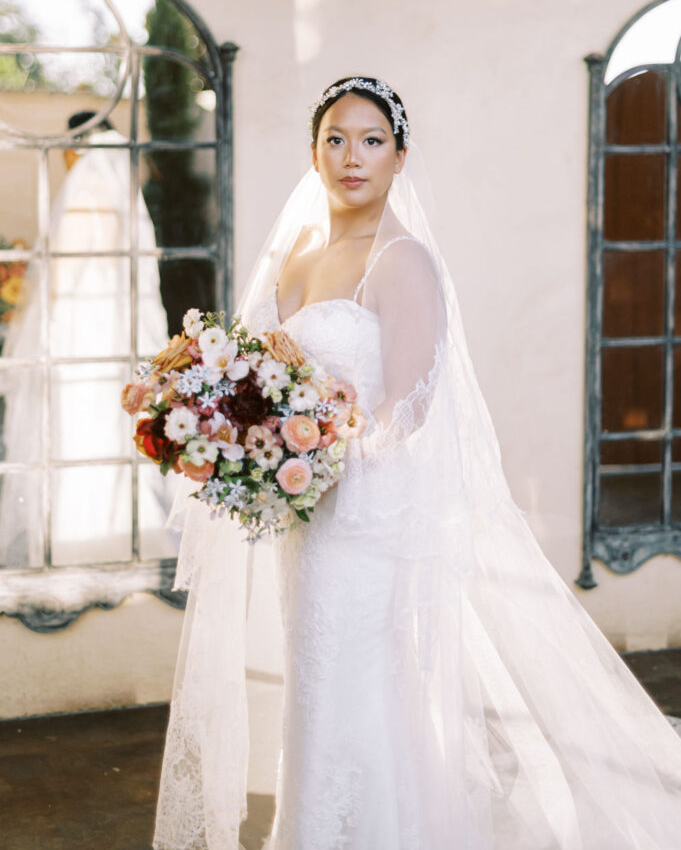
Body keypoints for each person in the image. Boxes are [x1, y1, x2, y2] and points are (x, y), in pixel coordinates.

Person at [153, 78, 681, 850]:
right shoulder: (298, 249)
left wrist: (316, 426)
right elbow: (257, 372)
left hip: (367, 527)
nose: (351, 157)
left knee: (357, 695)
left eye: (371, 141)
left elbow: (409, 410)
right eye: (335, 139)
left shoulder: (401, 261)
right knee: (315, 693)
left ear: (399, 157)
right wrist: (237, 428)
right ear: (313, 152)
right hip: (308, 523)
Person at [0, 111, 171, 568]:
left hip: (80, 331)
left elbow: (63, 275)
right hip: (110, 328)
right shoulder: (120, 194)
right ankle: (119, 535)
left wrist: (38, 308)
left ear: (77, 148)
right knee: (105, 431)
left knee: (77, 430)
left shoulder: (87, 192)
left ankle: (78, 540)